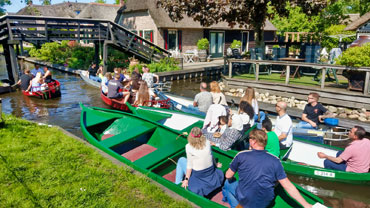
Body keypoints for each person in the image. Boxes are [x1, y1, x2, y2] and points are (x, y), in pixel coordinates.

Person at [222, 129, 314, 208]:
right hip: (264, 202)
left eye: (249, 138)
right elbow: (288, 185)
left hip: (247, 201)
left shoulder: (241, 155)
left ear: (253, 141)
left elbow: (228, 175)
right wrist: (306, 205)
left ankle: (231, 204)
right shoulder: (275, 160)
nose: (249, 140)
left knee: (227, 183)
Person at [175, 127, 224, 197]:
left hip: (199, 175)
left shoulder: (188, 147)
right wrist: (215, 164)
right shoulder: (207, 142)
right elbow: (211, 155)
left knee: (181, 160)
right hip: (210, 171)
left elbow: (189, 166)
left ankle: (177, 184)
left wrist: (186, 179)